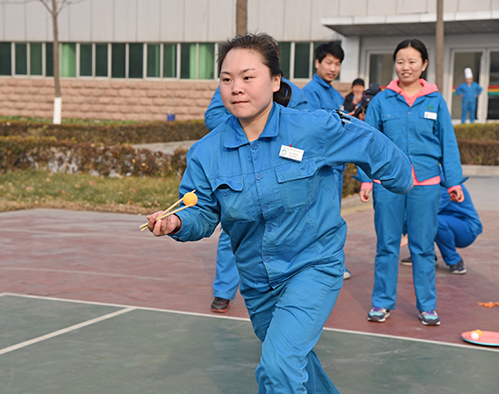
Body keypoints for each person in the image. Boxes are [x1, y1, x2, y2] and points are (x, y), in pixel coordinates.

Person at [145, 33, 413, 394]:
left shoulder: (312, 128)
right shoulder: (205, 153)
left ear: (275, 82)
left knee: (278, 366)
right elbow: (204, 212)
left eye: (247, 77)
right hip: (258, 284)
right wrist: (176, 222)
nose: (235, 88)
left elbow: (369, 142)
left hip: (312, 266)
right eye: (226, 79)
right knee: (294, 364)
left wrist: (401, 180)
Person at [357, 38, 465, 327]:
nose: (406, 67)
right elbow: (368, 143)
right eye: (401, 61)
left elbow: (447, 143)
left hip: (427, 183)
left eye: (412, 61)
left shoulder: (436, 100)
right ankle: (381, 302)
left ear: (424, 64)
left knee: (423, 246)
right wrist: (367, 181)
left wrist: (453, 182)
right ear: (395, 64)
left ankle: (427, 306)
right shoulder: (381, 100)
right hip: (388, 184)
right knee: (388, 244)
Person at [204, 76, 308, 312]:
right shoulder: (234, 89)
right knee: (234, 227)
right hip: (240, 168)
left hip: (281, 172)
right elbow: (212, 117)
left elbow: (305, 127)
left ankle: (286, 289)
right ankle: (223, 290)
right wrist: (248, 124)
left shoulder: (294, 92)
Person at [302, 42, 352, 279]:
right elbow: (313, 129)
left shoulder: (336, 94)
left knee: (333, 216)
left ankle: (331, 262)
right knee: (318, 215)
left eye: (338, 64)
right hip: (321, 166)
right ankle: (318, 264)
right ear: (317, 63)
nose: (333, 68)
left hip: (336, 165)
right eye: (329, 62)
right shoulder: (309, 92)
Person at [400, 184, 482, 274]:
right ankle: (425, 253)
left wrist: (410, 234)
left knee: (435, 221)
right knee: (405, 215)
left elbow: (432, 209)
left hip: (465, 228)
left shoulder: (445, 182)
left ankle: (454, 260)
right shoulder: (417, 180)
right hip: (442, 220)